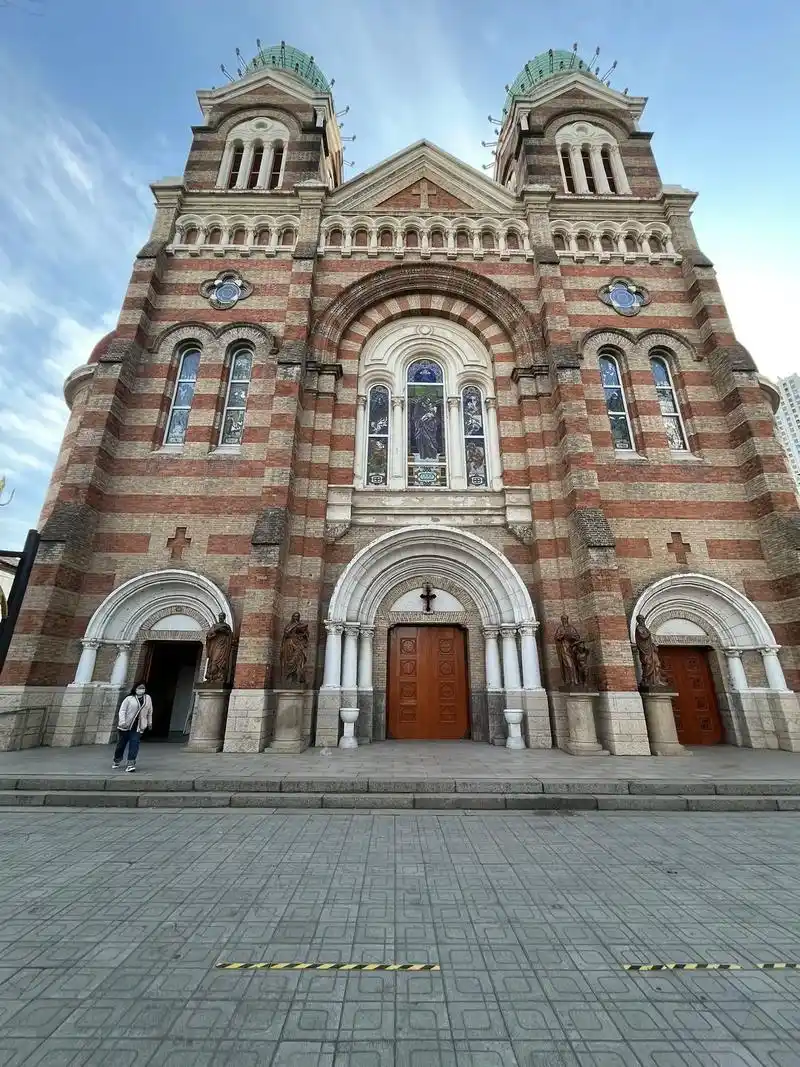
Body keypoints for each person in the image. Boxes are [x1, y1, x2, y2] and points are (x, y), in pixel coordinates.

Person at [112, 682, 153, 772]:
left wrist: (149, 723)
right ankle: (117, 759)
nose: (141, 689)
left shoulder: (147, 698)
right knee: (121, 744)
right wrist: (122, 722)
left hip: (138, 726)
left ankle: (131, 764)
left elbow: (150, 711)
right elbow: (122, 710)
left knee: (134, 744)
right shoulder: (129, 698)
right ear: (135, 688)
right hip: (126, 726)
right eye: (139, 688)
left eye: (143, 688)